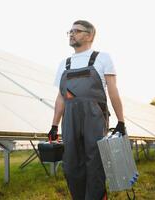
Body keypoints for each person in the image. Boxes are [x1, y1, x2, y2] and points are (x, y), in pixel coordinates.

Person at [48, 20, 127, 200]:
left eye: (76, 31)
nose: (71, 34)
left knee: (95, 161)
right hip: (70, 118)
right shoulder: (64, 63)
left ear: (89, 35)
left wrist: (121, 121)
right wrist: (54, 125)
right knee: (71, 163)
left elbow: (113, 91)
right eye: (70, 31)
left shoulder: (102, 58)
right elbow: (61, 97)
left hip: (95, 115)